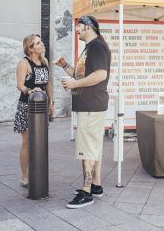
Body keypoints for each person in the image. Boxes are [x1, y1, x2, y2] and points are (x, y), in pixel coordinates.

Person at [54, 15, 111, 209]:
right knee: (93, 147)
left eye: (78, 27)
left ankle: (86, 192)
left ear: (88, 27)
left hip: (91, 106)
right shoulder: (91, 47)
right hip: (90, 105)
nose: (76, 30)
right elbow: (81, 75)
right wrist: (64, 66)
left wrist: (75, 84)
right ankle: (95, 186)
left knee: (87, 148)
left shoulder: (96, 47)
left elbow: (100, 75)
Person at [13, 34, 54, 188]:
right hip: (27, 105)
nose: (42, 44)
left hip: (42, 105)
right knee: (27, 142)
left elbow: (48, 83)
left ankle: (38, 171)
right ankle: (25, 176)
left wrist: (51, 102)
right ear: (30, 48)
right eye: (38, 43)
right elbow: (19, 84)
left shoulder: (44, 61)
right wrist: (30, 91)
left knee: (40, 141)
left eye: (41, 41)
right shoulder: (24, 63)